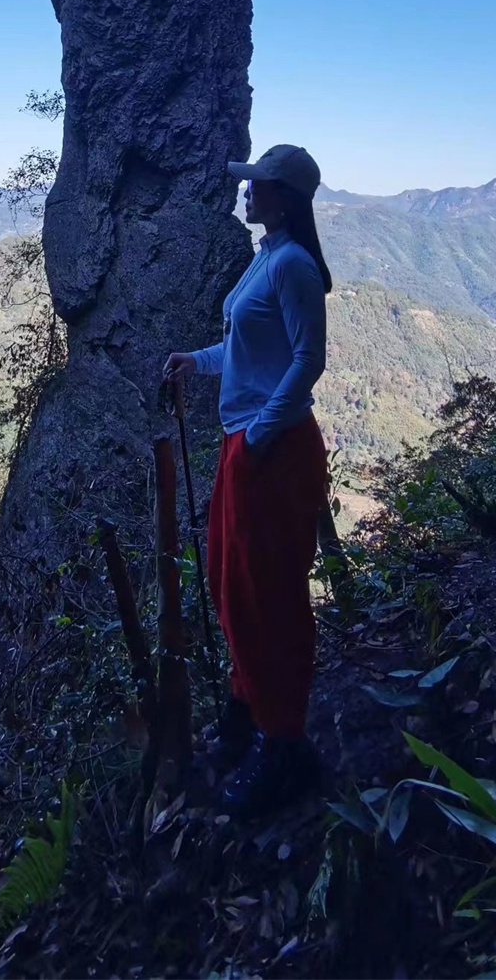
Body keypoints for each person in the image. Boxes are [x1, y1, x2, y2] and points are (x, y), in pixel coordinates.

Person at [163, 143, 332, 818]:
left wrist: (259, 435)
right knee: (230, 581)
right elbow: (244, 347)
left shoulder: (293, 265)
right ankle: (247, 707)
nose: (247, 191)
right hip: (251, 442)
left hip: (274, 449)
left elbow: (308, 361)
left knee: (269, 595)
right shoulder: (267, 255)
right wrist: (195, 361)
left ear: (283, 198)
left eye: (258, 184)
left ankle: (283, 743)